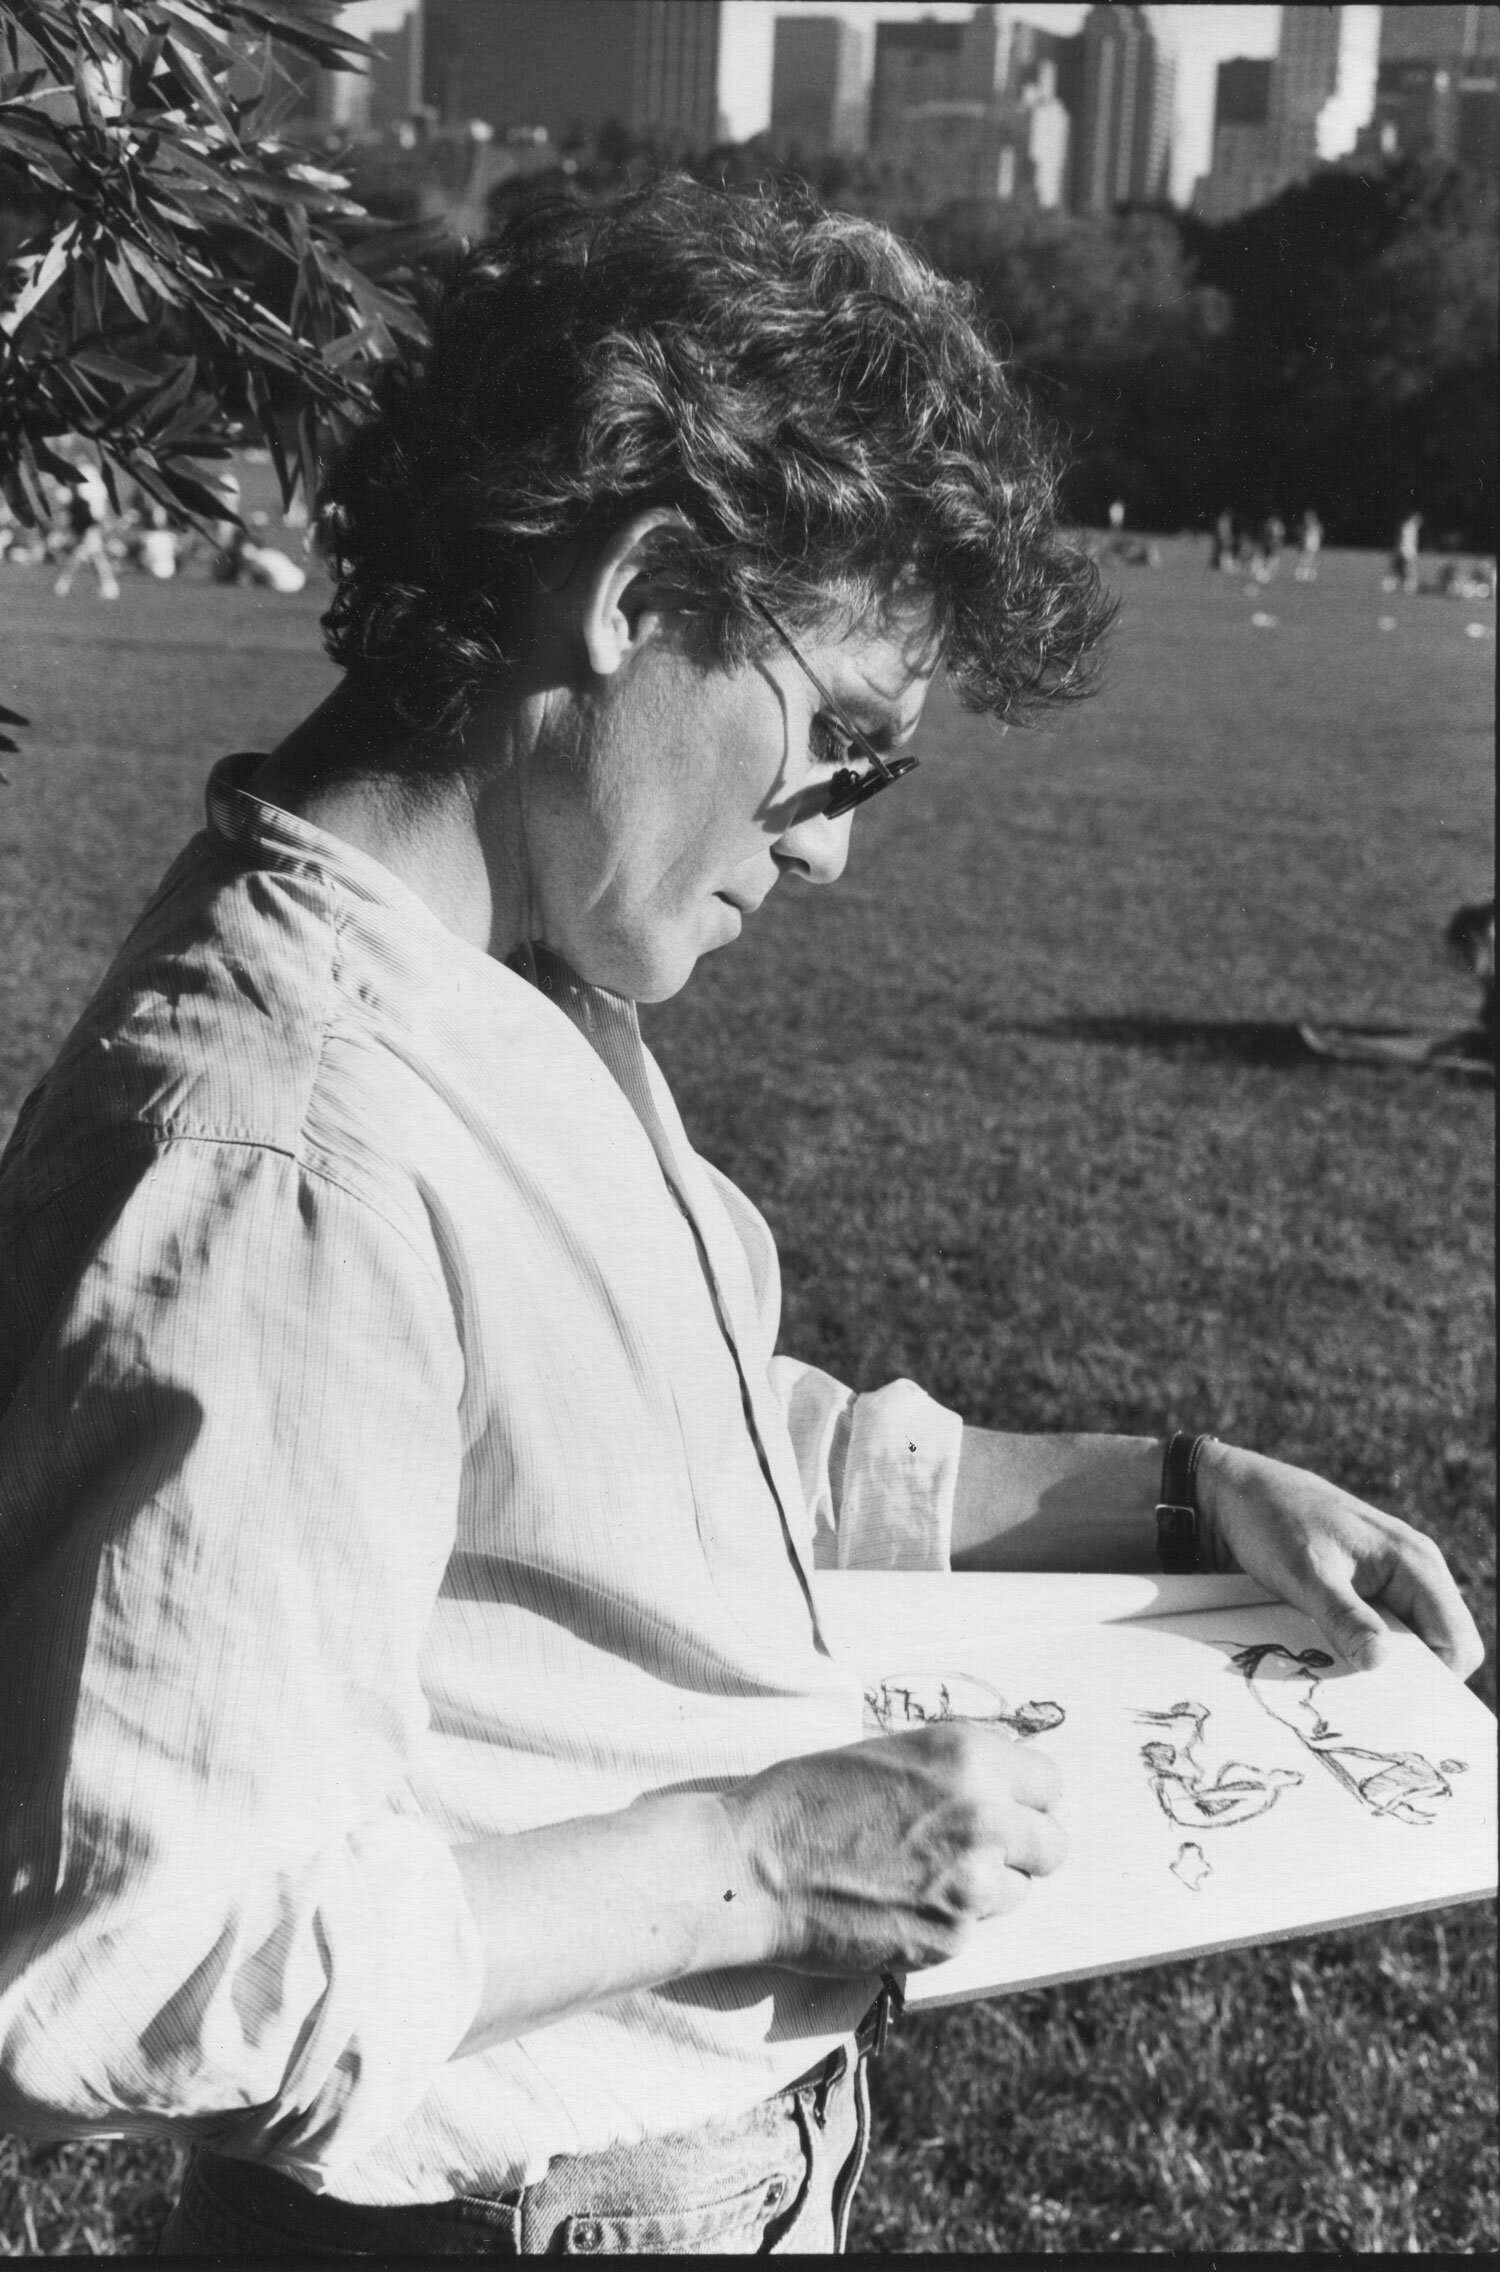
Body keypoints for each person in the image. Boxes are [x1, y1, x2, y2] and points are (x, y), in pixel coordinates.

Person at [0, 180, 1482, 2258]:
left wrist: (1171, 1489)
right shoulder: (285, 1137)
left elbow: (666, 1443)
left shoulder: (512, 964)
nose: (836, 853)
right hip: (506, 2208)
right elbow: (136, 1954)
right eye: (845, 750)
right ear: (641, 590)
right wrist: (759, 1861)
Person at [50, 465, 120, 600]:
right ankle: (108, 586)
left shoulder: (88, 492)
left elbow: (92, 514)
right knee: (91, 555)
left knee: (88, 555)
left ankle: (64, 583)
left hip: (89, 526)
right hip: (87, 526)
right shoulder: (84, 493)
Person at [1292, 509, 1322, 581]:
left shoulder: (1316, 526)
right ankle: (1302, 572)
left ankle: (1308, 573)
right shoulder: (1305, 527)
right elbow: (1303, 536)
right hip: (1307, 544)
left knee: (1310, 559)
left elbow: (1318, 535)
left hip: (1313, 544)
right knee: (1303, 559)